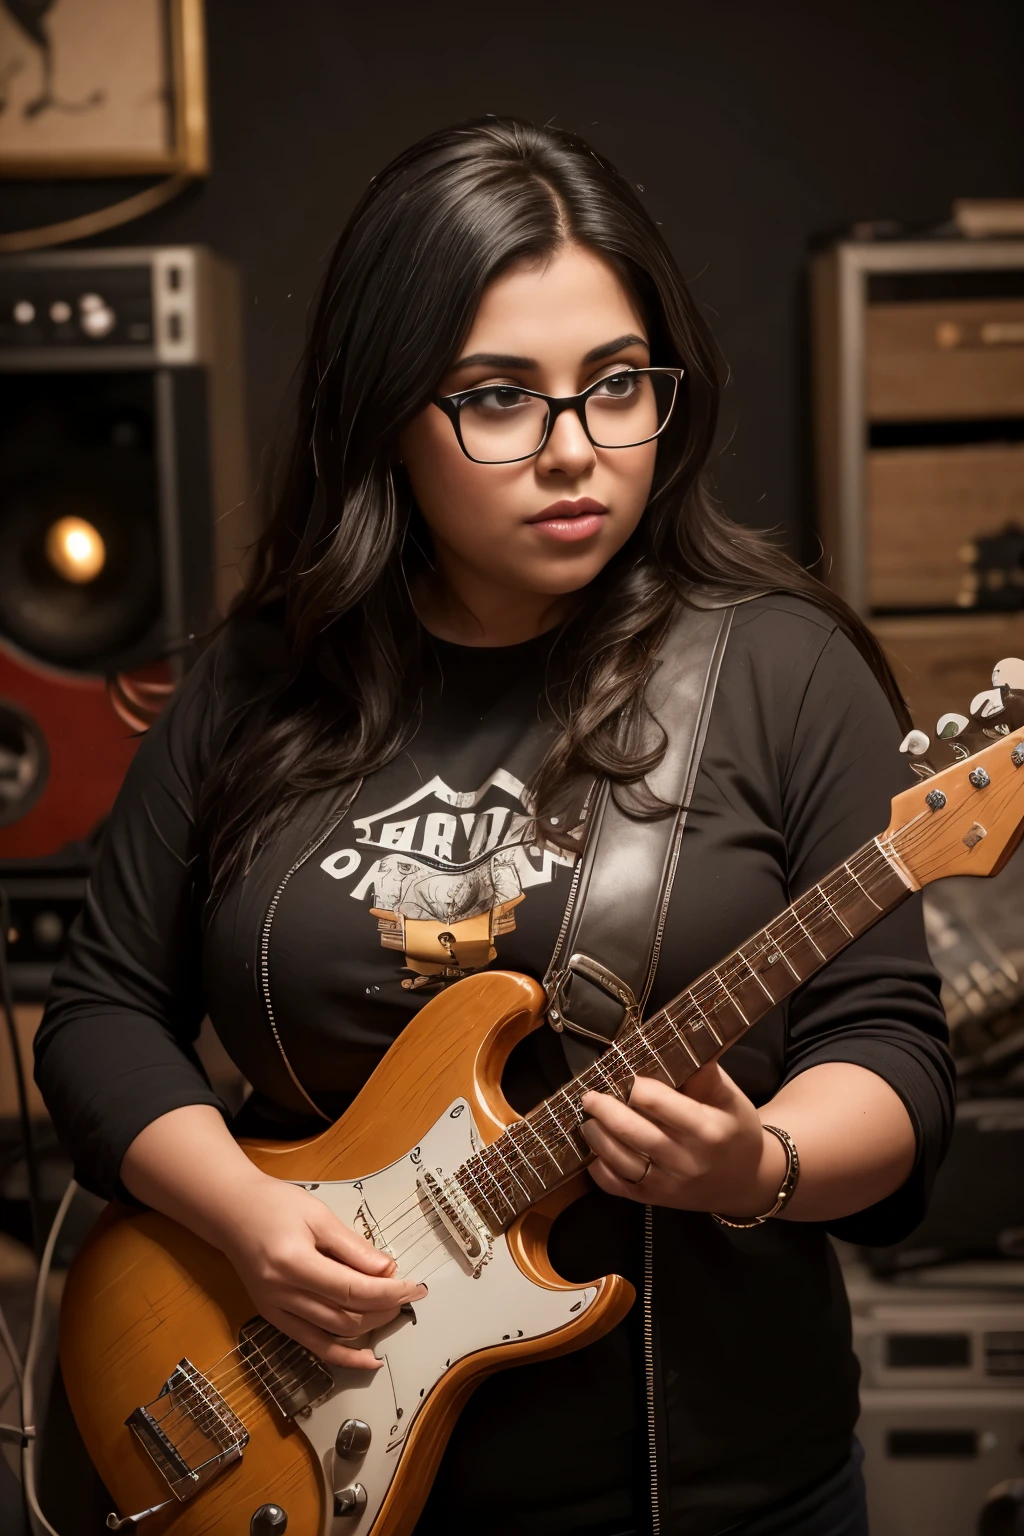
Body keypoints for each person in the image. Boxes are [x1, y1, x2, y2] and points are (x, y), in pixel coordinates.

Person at [35, 118, 952, 1536]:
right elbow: (98, 1013)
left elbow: (891, 1047)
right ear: (389, 413)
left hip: (716, 1492)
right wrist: (246, 1219)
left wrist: (758, 1162)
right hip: (289, 1432)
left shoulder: (780, 669)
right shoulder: (256, 678)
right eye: (501, 399)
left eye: (616, 385)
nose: (577, 451)